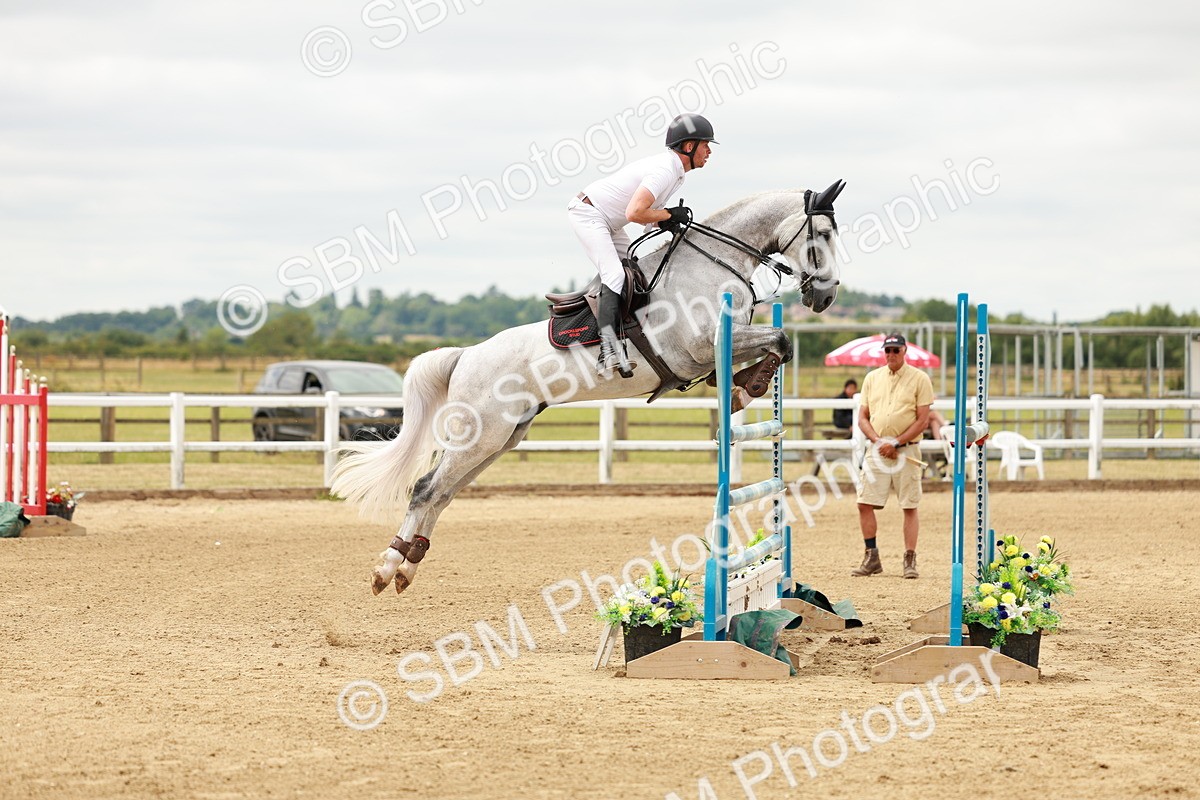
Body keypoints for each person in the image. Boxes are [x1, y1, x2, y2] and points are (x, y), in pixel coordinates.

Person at [568, 113, 717, 377]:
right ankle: (607, 350)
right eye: (705, 145)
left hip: (609, 221)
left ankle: (628, 334)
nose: (709, 152)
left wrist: (671, 222)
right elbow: (635, 212)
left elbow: (647, 219)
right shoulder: (665, 170)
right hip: (589, 214)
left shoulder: (676, 174)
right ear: (689, 146)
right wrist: (668, 215)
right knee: (615, 276)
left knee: (635, 272)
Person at [851, 332, 934, 579]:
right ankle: (871, 556)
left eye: (896, 350)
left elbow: (923, 420)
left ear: (904, 351)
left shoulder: (920, 379)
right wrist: (879, 441)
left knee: (909, 504)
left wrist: (897, 442)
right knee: (864, 502)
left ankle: (910, 558)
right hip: (878, 449)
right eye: (887, 350)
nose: (891, 354)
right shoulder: (872, 378)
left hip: (906, 450)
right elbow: (863, 417)